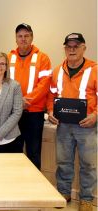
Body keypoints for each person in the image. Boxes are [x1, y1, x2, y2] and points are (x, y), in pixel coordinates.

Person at [47, 33, 97, 211]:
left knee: (88, 165)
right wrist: (51, 110)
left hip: (87, 126)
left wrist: (95, 115)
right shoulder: (57, 70)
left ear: (84, 47)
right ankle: (63, 193)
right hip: (63, 126)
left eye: (76, 46)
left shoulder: (95, 69)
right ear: (65, 49)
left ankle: (86, 199)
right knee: (63, 162)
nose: (72, 49)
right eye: (69, 46)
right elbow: (51, 95)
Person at [8, 23, 52, 169]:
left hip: (34, 114)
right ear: (16, 39)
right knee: (14, 153)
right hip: (13, 114)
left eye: (26, 36)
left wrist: (24, 101)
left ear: (32, 37)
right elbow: (3, 82)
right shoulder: (9, 58)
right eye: (20, 36)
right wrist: (17, 102)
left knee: (33, 153)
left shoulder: (43, 58)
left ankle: (35, 189)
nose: (23, 39)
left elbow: (44, 85)